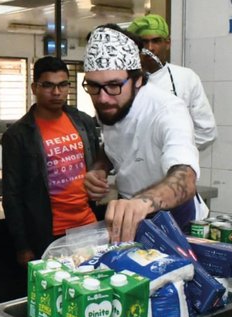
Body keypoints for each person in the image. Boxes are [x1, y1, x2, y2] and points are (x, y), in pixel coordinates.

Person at [82, 25, 203, 243]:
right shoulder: (109, 102)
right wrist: (98, 169)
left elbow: (185, 176)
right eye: (93, 86)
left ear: (137, 80)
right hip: (126, 206)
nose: (103, 99)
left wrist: (142, 203)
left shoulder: (167, 110)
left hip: (170, 214)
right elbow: (113, 143)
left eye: (113, 85)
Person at [2, 57, 100, 266]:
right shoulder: (19, 135)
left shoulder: (82, 121)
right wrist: (22, 246)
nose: (57, 92)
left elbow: (97, 162)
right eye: (48, 85)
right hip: (47, 233)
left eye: (63, 85)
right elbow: (12, 195)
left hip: (86, 225)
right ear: (34, 87)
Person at [127, 14, 217, 150]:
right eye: (144, 42)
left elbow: (207, 131)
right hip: (135, 167)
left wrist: (173, 150)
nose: (150, 48)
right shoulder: (125, 82)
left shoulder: (186, 78)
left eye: (156, 41)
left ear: (167, 43)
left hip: (175, 165)